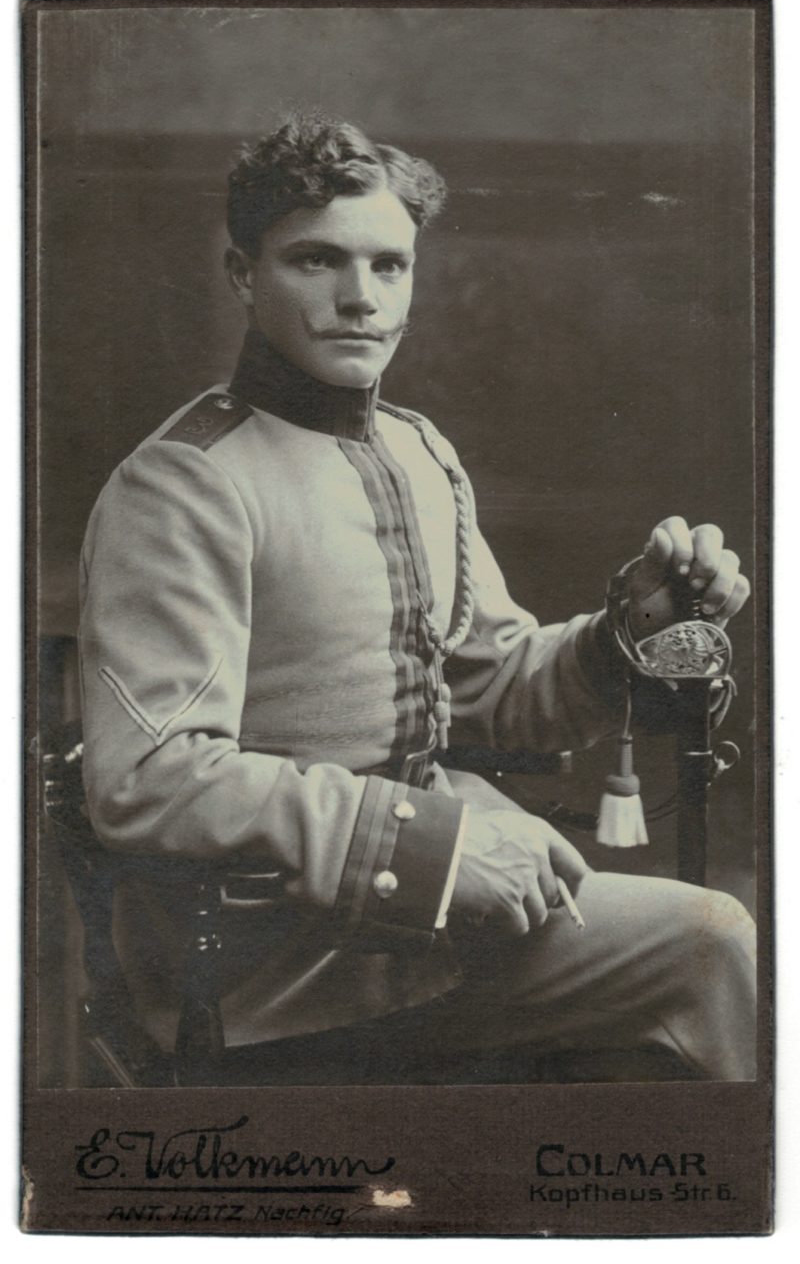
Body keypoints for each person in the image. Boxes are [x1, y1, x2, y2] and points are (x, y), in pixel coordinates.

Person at [78, 114, 755, 1083]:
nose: (359, 298)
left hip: (409, 922)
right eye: (317, 261)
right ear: (241, 273)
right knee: (714, 938)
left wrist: (635, 628)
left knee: (724, 942)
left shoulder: (415, 451)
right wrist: (438, 848)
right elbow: (152, 778)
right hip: (262, 970)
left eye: (388, 266)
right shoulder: (183, 483)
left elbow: (488, 686)